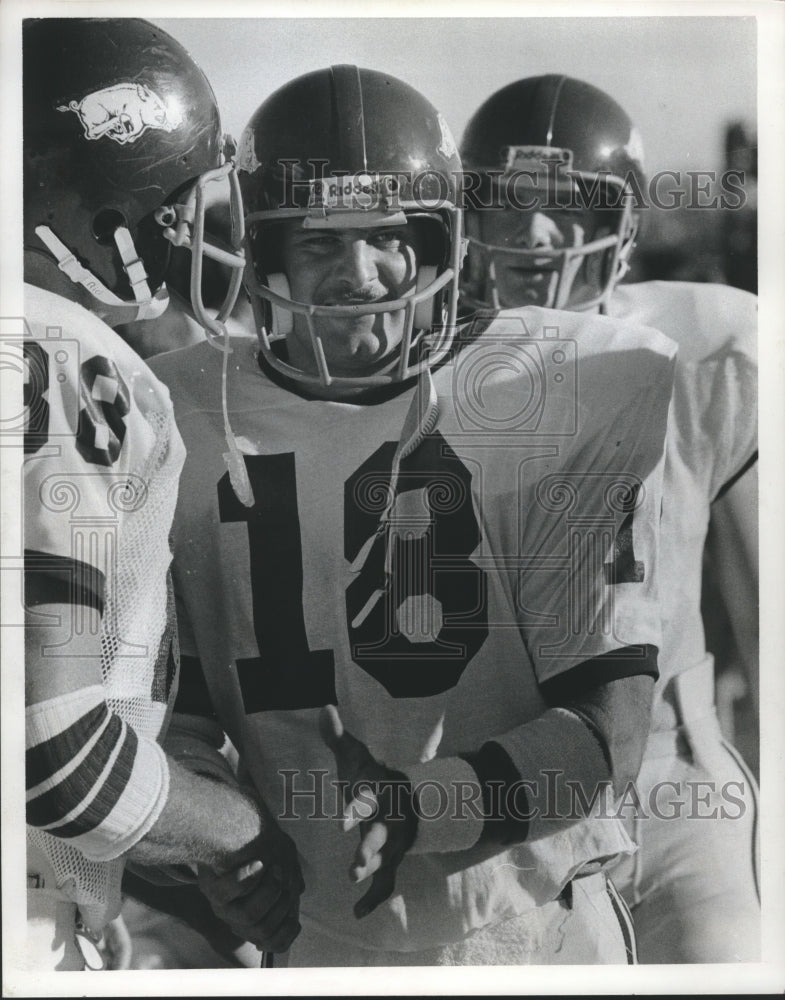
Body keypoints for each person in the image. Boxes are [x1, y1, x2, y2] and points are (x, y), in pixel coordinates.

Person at [150, 64, 678, 967]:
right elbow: (180, 705)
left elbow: (606, 731)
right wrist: (219, 846)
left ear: (439, 245)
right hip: (317, 930)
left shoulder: (556, 386)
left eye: (388, 238)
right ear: (266, 253)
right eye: (319, 242)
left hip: (524, 918)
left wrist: (416, 805)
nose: (361, 277)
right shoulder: (178, 414)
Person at [22, 17, 302, 971]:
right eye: (173, 207)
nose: (186, 234)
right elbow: (58, 758)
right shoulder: (63, 359)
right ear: (105, 209)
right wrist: (235, 831)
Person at [459, 73, 759, 962]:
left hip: (670, 783)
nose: (535, 233)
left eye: (571, 207)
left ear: (621, 224)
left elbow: (760, 600)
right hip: (501, 793)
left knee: (726, 960)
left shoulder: (705, 346)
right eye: (508, 202)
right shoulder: (416, 371)